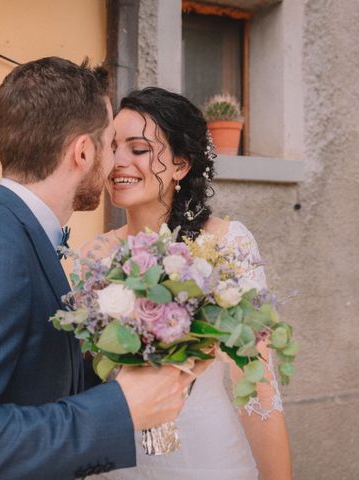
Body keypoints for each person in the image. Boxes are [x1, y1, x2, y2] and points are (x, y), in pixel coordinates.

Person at [0, 58, 204, 480]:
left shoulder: (21, 239)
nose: (113, 161)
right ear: (83, 152)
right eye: (108, 144)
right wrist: (120, 408)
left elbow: (37, 385)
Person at [86, 87, 292, 480]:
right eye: (112, 146)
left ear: (180, 165)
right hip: (117, 464)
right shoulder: (94, 257)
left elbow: (259, 388)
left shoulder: (227, 245)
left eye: (138, 149)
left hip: (207, 460)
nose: (117, 162)